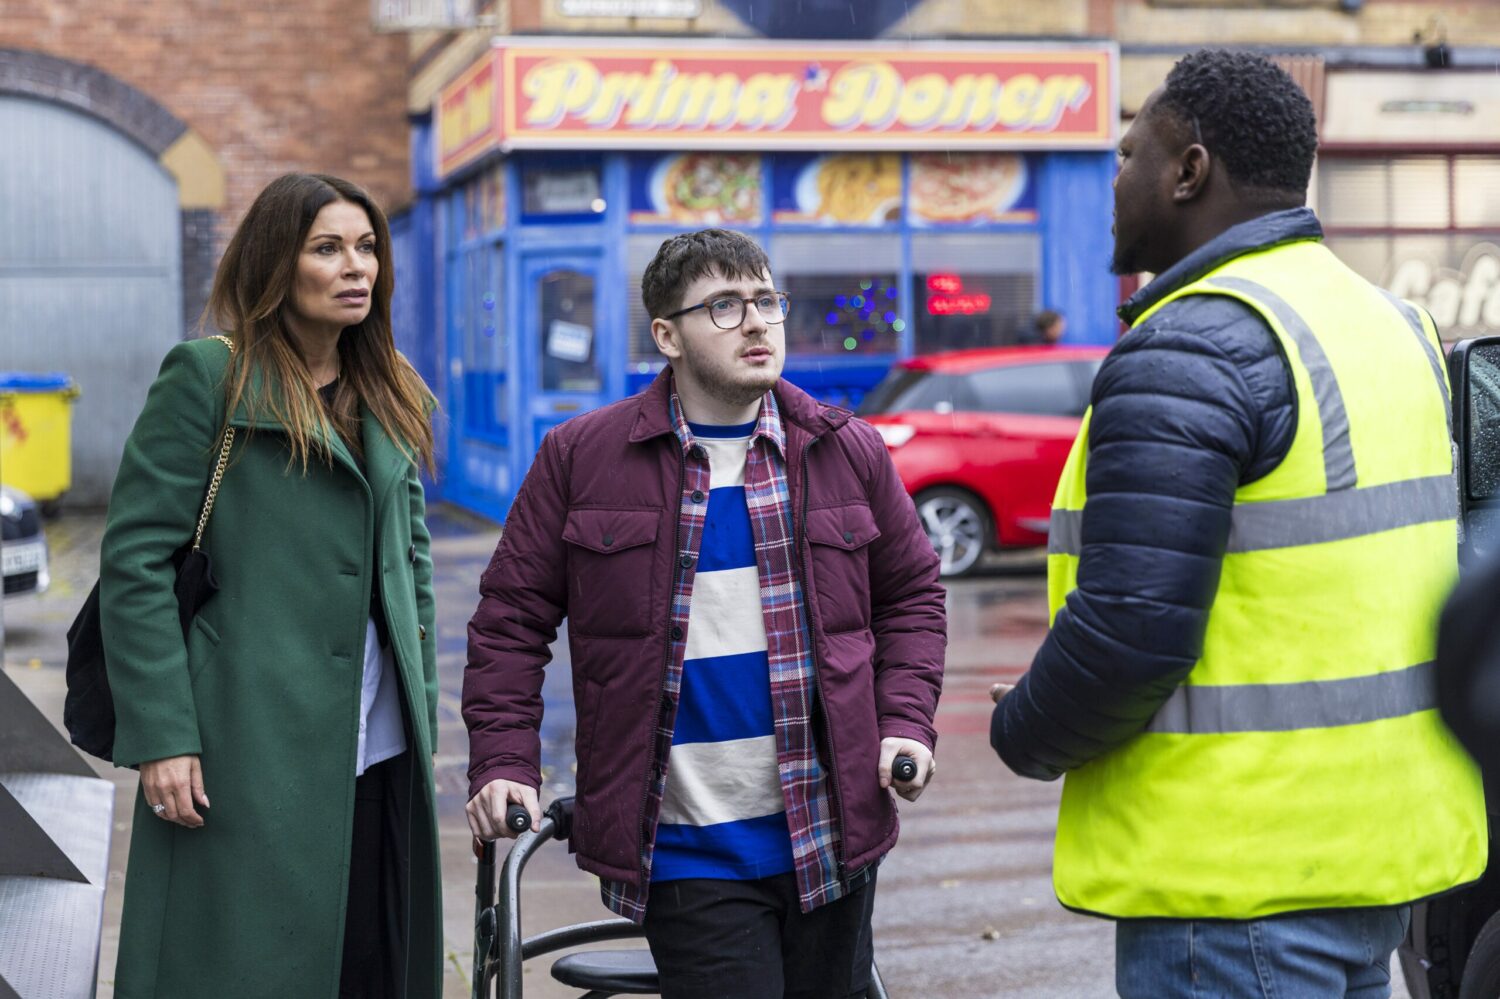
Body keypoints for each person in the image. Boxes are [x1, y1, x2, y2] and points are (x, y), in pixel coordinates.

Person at [989, 50, 1486, 998]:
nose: (1115, 177)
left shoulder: (1188, 344)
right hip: (1376, 857)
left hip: (1234, 883)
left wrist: (1020, 731)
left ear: (1189, 170)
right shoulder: (1395, 326)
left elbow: (1130, 631)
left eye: (1131, 152)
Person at [463, 228, 946, 999]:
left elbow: (912, 597)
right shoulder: (581, 457)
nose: (757, 323)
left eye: (765, 301)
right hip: (685, 850)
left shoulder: (844, 448)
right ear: (667, 336)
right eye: (724, 306)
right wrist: (504, 761)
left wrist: (906, 721)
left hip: (832, 835)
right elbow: (510, 621)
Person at [101, 173, 443, 997]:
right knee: (243, 959)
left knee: (367, 954)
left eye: (366, 248)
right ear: (275, 264)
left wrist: (425, 705)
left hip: (377, 737)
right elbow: (136, 562)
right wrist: (163, 733)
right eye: (327, 248)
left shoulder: (388, 386)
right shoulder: (207, 378)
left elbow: (414, 562)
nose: (356, 266)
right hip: (241, 739)